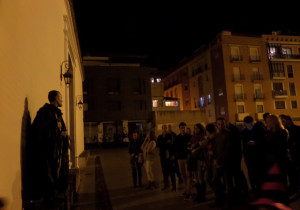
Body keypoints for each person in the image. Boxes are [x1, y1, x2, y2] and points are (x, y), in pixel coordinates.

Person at [30, 90, 69, 208]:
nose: (62, 100)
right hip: (48, 154)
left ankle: (53, 198)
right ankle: (49, 201)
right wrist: (59, 135)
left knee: (55, 176)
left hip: (56, 152)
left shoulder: (56, 113)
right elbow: (41, 133)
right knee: (49, 177)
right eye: (61, 97)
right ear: (56, 98)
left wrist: (63, 135)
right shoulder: (45, 113)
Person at [279, 114, 300, 194]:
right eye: (281, 121)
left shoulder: (296, 129)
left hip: (296, 155)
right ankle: (294, 187)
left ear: (289, 121)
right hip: (290, 156)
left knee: (295, 173)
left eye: (284, 121)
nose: (282, 123)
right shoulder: (284, 131)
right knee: (292, 173)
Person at [172, 122, 192, 200]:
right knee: (183, 175)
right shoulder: (177, 137)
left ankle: (188, 192)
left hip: (187, 158)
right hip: (180, 159)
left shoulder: (189, 137)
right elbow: (174, 148)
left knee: (188, 175)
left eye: (184, 128)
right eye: (181, 128)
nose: (183, 129)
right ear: (179, 129)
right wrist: (175, 155)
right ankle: (186, 189)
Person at [188, 123, 207, 203]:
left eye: (197, 128)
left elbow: (201, 146)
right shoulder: (193, 137)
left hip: (200, 158)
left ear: (200, 129)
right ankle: (199, 194)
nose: (195, 130)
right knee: (196, 178)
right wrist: (190, 146)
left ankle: (202, 195)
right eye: (194, 128)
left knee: (200, 177)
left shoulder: (203, 137)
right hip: (193, 158)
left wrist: (194, 147)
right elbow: (190, 144)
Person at [156, 125, 175, 191]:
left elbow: (171, 145)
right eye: (163, 128)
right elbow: (158, 145)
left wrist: (173, 155)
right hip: (162, 156)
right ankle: (166, 184)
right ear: (162, 129)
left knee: (171, 171)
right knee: (164, 171)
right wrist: (166, 143)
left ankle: (173, 186)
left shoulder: (169, 136)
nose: (165, 129)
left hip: (169, 155)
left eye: (165, 128)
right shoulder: (159, 137)